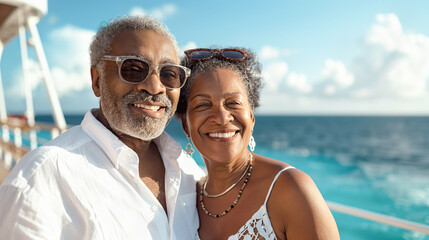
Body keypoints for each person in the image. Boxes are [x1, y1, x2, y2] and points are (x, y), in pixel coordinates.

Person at [0, 16, 204, 239]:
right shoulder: (41, 178)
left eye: (168, 74)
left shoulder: (188, 171)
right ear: (97, 80)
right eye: (133, 69)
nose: (155, 87)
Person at [176, 48, 340, 240]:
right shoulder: (187, 200)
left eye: (233, 103)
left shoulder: (291, 189)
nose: (221, 118)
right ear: (186, 125)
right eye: (203, 105)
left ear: (251, 116)